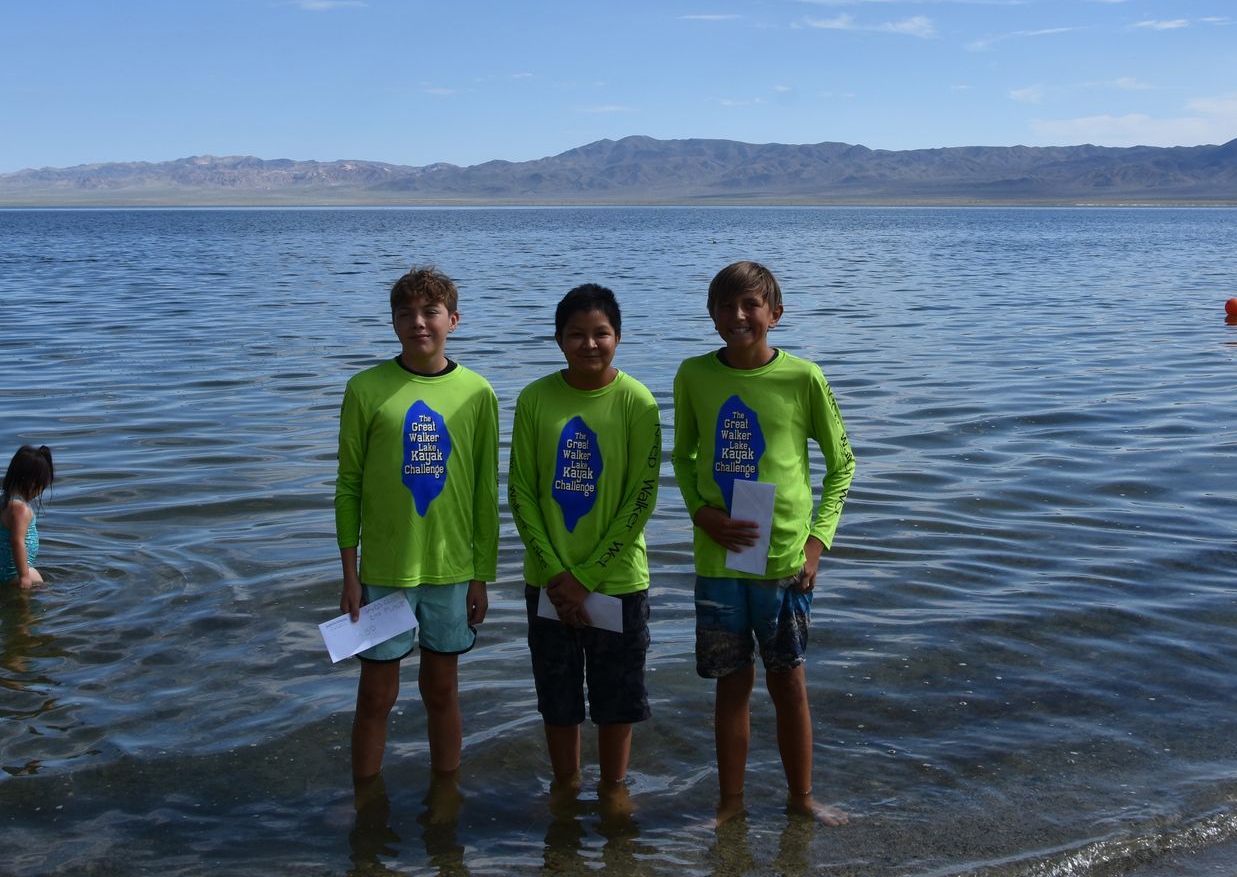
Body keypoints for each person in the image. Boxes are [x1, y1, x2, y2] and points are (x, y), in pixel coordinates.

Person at [672, 261, 855, 823]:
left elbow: (841, 463)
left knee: (789, 684)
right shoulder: (693, 376)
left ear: (775, 313)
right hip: (721, 562)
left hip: (784, 564)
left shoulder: (803, 378)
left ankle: (802, 801)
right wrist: (703, 514)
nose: (738, 316)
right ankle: (731, 805)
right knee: (730, 686)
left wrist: (817, 543)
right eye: (726, 306)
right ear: (712, 316)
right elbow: (682, 457)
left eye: (751, 305)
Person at [336, 266, 500, 790]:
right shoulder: (366, 389)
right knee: (376, 694)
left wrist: (481, 575)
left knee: (442, 689)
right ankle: (365, 801)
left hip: (451, 571)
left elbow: (483, 493)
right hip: (385, 570)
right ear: (393, 323)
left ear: (453, 319)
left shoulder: (477, 393)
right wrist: (350, 573)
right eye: (405, 314)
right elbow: (348, 486)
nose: (418, 323)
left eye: (430, 312)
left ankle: (445, 798)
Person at [507, 284, 661, 810]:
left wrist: (588, 575)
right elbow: (520, 491)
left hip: (616, 580)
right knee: (558, 695)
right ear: (558, 339)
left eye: (601, 334)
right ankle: (566, 786)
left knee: (618, 698)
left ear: (618, 336)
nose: (589, 344)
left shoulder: (637, 401)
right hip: (549, 580)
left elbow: (641, 497)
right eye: (576, 334)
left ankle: (614, 788)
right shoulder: (535, 398)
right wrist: (557, 573)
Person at [0, 444, 54, 589]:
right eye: (41, 487)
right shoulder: (20, 509)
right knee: (42, 603)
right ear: (31, 482)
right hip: (14, 572)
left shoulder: (4, 501)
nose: (39, 493)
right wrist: (24, 576)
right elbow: (17, 541)